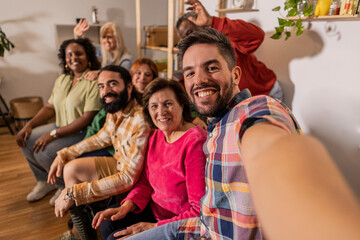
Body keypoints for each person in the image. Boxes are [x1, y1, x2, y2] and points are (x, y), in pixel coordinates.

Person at [119, 28, 360, 240]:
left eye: (211, 68)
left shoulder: (254, 109)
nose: (199, 80)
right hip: (199, 228)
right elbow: (208, 215)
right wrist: (155, 227)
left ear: (235, 75)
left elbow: (269, 145)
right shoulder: (213, 130)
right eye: (190, 73)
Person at [92, 79, 207, 240]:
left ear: (182, 104)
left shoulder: (195, 142)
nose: (161, 112)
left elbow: (198, 211)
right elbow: (146, 181)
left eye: (168, 104)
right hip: (155, 211)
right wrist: (128, 204)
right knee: (107, 224)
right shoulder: (156, 135)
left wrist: (154, 228)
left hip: (179, 223)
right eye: (154, 106)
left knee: (114, 238)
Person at [47, 65, 149, 240]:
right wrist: (64, 154)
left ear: (129, 87)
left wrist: (74, 192)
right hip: (120, 164)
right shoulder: (116, 109)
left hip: (137, 178)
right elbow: (101, 137)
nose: (106, 91)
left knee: (72, 188)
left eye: (112, 84)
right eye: (101, 86)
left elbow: (128, 178)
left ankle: (79, 233)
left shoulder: (140, 119)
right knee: (70, 169)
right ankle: (82, 234)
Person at [16, 38, 102, 206]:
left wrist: (53, 134)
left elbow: (86, 118)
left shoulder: (93, 81)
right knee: (25, 140)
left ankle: (63, 186)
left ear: (88, 56)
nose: (74, 57)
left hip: (81, 132)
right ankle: (44, 181)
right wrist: (29, 125)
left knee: (44, 152)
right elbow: (49, 107)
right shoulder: (62, 80)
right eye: (69, 54)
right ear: (64, 59)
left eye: (79, 53)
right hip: (61, 125)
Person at [176, 0, 283, 100]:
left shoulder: (225, 40)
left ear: (201, 25)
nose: (187, 39)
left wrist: (211, 21)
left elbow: (257, 36)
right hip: (241, 101)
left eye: (189, 32)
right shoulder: (197, 55)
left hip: (265, 93)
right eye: (183, 37)